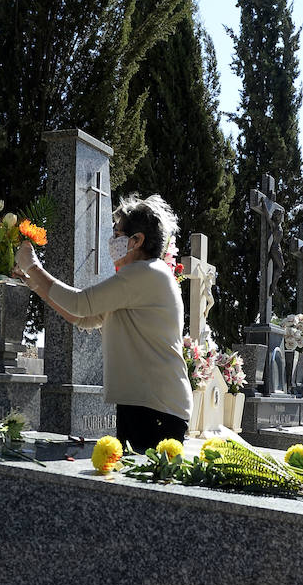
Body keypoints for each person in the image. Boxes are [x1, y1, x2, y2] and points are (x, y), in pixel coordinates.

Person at [14, 193, 193, 453]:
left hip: (156, 407)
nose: (112, 241)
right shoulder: (142, 278)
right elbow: (82, 318)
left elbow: (79, 303)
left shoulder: (145, 273)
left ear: (138, 240)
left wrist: (33, 266)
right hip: (147, 403)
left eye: (117, 234)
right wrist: (34, 283)